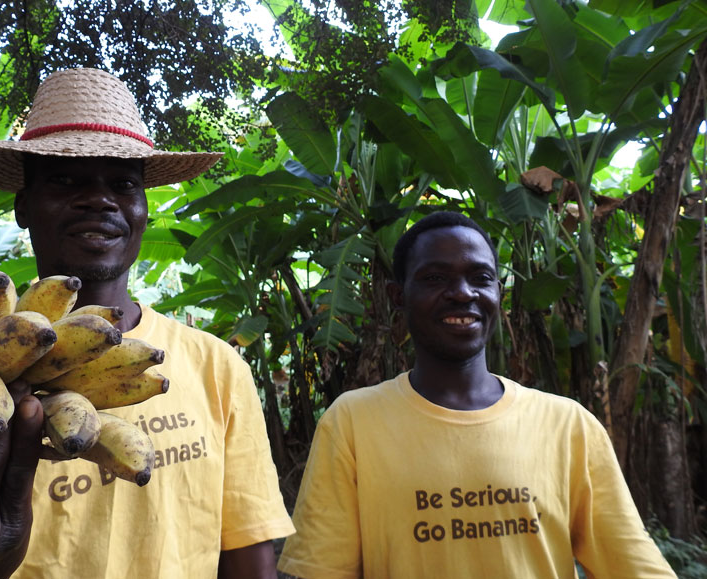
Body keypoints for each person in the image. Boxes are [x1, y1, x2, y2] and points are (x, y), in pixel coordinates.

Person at [0, 68, 295, 578]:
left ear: (144, 211)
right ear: (23, 207)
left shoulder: (216, 367)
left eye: (123, 183)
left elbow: (249, 557)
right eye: (65, 179)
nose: (98, 198)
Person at [277, 211, 676, 578]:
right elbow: (323, 569)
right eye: (435, 278)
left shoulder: (567, 425)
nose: (462, 292)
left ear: (498, 294)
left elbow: (634, 565)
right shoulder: (353, 422)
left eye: (480, 278)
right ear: (398, 296)